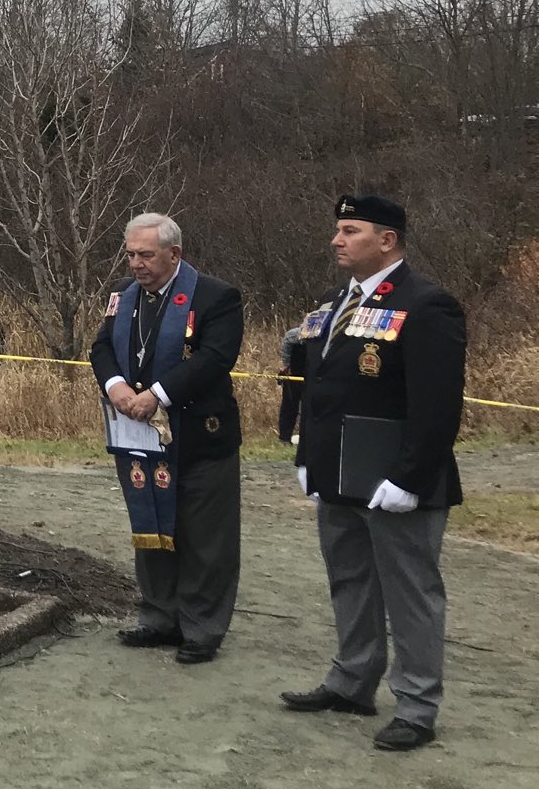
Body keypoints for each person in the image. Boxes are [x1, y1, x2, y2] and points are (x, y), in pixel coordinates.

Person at [278, 194, 464, 752]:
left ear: (387, 240)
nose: (337, 239)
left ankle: (417, 704)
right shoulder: (335, 301)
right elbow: (320, 392)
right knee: (350, 580)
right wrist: (307, 460)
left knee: (410, 593)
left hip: (398, 482)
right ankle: (352, 680)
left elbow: (436, 405)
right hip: (339, 474)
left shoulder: (426, 303)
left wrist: (410, 479)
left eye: (350, 230)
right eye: (337, 229)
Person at [87, 212, 245, 664]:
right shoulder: (122, 295)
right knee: (150, 522)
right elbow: (101, 347)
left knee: (204, 536)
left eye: (146, 255)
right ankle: (158, 616)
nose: (136, 264)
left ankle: (201, 628)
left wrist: (157, 395)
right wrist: (115, 385)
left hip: (199, 437)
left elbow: (216, 357)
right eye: (131, 254)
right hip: (138, 435)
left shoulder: (215, 296)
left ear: (174, 254)